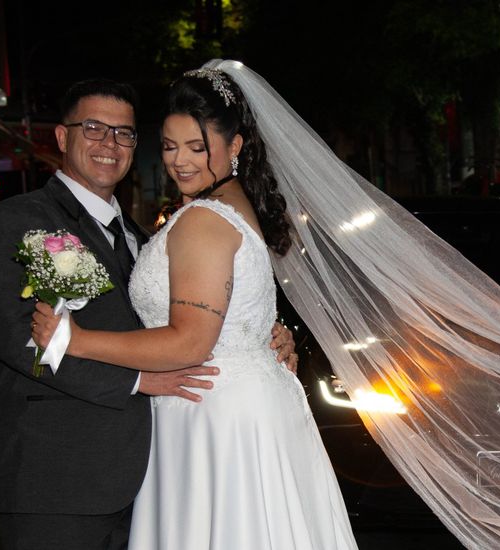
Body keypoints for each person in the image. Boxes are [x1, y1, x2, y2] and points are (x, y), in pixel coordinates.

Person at [32, 68, 358, 549]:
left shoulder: (202, 220)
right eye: (169, 146)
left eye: (197, 147)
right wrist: (269, 329)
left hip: (213, 417)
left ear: (235, 147)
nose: (180, 161)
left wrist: (76, 339)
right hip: (240, 407)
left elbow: (190, 340)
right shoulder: (228, 207)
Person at [0, 78, 296, 550]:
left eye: (124, 133)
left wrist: (264, 333)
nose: (110, 144)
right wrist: (136, 381)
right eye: (94, 128)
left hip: (149, 474)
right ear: (62, 138)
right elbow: (24, 343)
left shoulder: (144, 238)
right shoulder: (19, 221)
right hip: (56, 479)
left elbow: (193, 311)